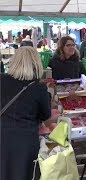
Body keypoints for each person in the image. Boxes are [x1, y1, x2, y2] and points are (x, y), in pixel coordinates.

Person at [0, 46, 59, 180]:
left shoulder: (1, 80)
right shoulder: (38, 88)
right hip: (25, 141)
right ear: (36, 63)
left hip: (2, 136)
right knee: (24, 174)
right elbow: (46, 117)